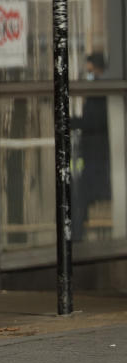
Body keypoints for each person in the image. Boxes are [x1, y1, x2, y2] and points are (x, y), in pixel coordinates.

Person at [72, 53, 111, 241]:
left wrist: (74, 123)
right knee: (81, 196)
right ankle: (77, 236)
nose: (88, 78)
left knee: (81, 196)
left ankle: (76, 238)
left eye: (90, 73)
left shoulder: (101, 96)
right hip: (93, 157)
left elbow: (94, 122)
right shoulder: (97, 96)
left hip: (99, 158)